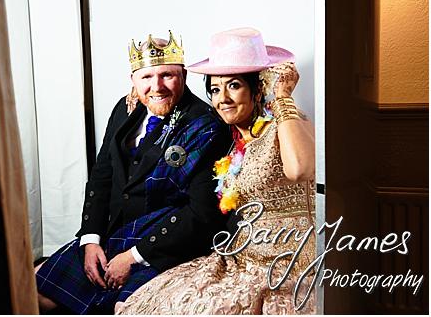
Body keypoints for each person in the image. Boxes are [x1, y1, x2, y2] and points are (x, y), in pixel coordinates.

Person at [116, 27, 317, 314]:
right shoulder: (230, 139)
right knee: (153, 301)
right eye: (214, 89)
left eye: (234, 85)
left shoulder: (285, 125)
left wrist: (283, 97)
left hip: (287, 261)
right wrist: (148, 92)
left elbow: (301, 169)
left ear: (258, 88)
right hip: (241, 257)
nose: (222, 98)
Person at [34, 31, 233, 314]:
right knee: (33, 291)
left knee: (125, 309)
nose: (157, 86)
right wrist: (91, 240)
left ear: (184, 76)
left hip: (162, 244)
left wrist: (133, 257)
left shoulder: (206, 125)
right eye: (147, 77)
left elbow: (201, 213)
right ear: (133, 81)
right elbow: (103, 176)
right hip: (113, 234)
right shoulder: (124, 108)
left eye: (167, 75)